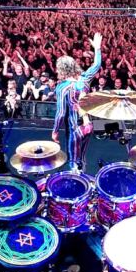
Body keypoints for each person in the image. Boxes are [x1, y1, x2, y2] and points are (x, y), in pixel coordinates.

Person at [52, 33, 102, 170]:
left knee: (73, 159)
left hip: (75, 129)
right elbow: (97, 65)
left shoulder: (62, 88)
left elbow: (61, 113)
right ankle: (82, 172)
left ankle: (77, 183)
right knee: (82, 156)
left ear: (62, 71)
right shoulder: (85, 78)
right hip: (88, 125)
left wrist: (55, 131)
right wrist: (97, 48)